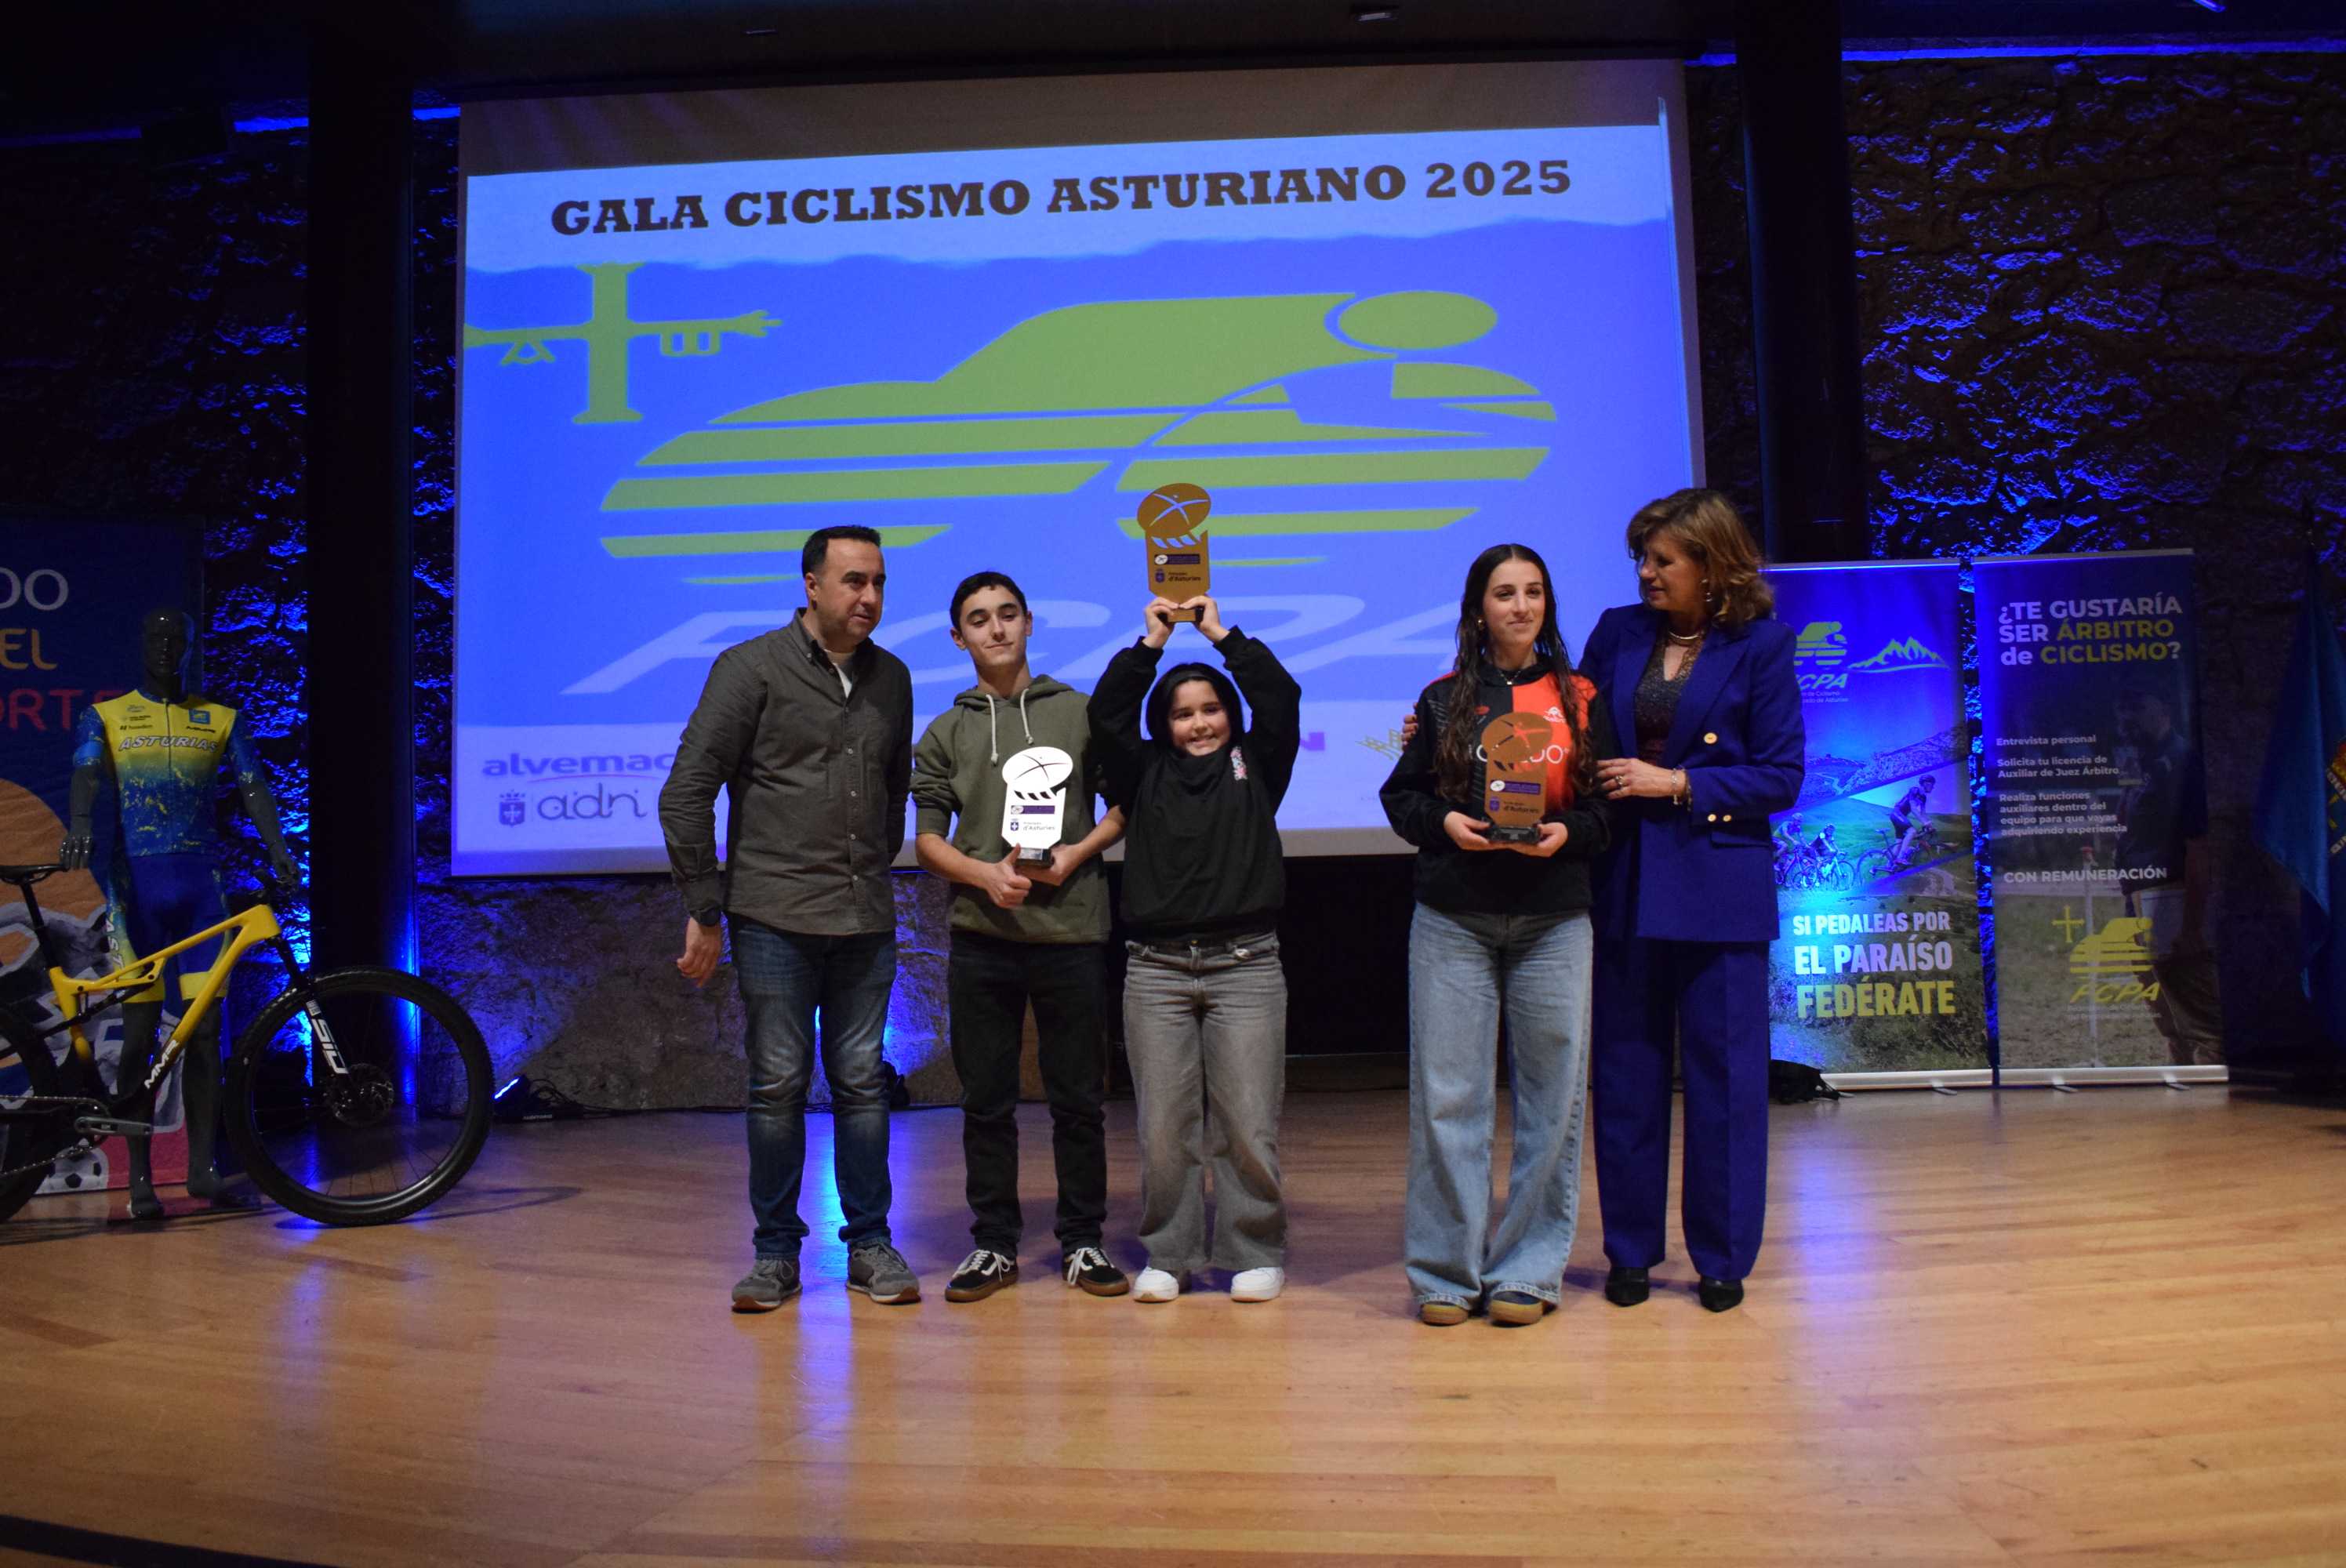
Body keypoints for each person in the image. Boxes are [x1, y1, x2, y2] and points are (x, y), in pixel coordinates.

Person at [658, 524, 921, 1312]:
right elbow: (686, 790)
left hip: (864, 916)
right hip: (772, 914)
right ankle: (774, 1253)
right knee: (776, 1085)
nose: (868, 597)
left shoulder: (894, 677)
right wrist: (705, 906)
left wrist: (871, 870)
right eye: (852, 581)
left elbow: (891, 790)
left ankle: (870, 1243)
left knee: (864, 1085)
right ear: (811, 585)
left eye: (877, 581)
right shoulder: (749, 669)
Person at [1379, 544, 1617, 1327]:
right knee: (1449, 1100)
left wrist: (1563, 834)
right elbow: (1403, 797)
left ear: (1547, 603)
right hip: (1453, 919)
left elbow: (1605, 814)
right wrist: (1446, 823)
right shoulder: (1445, 700)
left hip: (1554, 919)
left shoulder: (1582, 698)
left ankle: (1527, 1268)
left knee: (1553, 1101)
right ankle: (1445, 1273)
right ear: (1477, 607)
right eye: (1503, 593)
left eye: (1533, 592)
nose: (1519, 606)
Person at [1584, 488, 1803, 1314]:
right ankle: (1631, 1251)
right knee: (1627, 1075)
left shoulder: (1763, 646)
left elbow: (1782, 776)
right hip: (1628, 882)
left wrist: (1677, 781)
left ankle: (1720, 1256)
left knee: (1725, 1082)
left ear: (1710, 566)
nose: (1645, 572)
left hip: (1718, 887)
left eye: (1661, 559)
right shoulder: (1617, 631)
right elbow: (1562, 727)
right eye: (1641, 557)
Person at [911, 570, 1131, 1302]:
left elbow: (1123, 806)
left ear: (1030, 623)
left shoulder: (1079, 712)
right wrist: (982, 876)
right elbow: (927, 842)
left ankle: (1083, 1242)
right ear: (958, 637)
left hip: (1071, 933)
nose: (996, 629)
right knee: (986, 1103)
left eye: (1008, 615)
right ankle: (994, 1246)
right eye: (979, 619)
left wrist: (1074, 853)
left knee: (1077, 1101)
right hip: (984, 937)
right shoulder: (945, 731)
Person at [1090, 594, 1300, 1304]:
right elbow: (1106, 713)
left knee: (1246, 1124)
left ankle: (1252, 1250)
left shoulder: (1258, 763)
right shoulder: (1141, 771)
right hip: (1155, 972)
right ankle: (1170, 1254)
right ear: (1165, 723)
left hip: (1247, 967)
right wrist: (1151, 642)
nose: (1199, 723)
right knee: (1163, 1130)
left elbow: (1280, 696)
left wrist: (1219, 634)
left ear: (1229, 715)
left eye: (1210, 709)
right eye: (1183, 713)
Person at [60, 608, 300, 1220]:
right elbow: (86, 772)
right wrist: (81, 825)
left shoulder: (220, 718)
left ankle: (201, 1169)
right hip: (136, 891)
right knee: (139, 1035)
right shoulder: (107, 715)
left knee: (205, 1036)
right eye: (156, 637)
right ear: (142, 642)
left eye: (177, 640)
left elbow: (254, 787)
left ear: (191, 648)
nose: (166, 647)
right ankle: (140, 1177)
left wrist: (280, 851)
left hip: (200, 891)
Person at [2114, 686, 2222, 1065]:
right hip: (2140, 896)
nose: (2128, 718)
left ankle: (2214, 1109)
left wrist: (2191, 925)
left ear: (2165, 709)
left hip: (2172, 897)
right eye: (2123, 709)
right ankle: (2183, 1091)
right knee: (2164, 1010)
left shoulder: (2183, 762)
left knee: (2198, 1014)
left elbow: (2198, 846)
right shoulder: (2143, 762)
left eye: (2137, 706)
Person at [1887, 775, 1934, 867]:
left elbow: (1923, 813)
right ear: (1926, 784)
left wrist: (1930, 826)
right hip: (1897, 813)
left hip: (1900, 817)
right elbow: (1913, 809)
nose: (1933, 787)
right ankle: (1901, 858)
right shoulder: (1914, 790)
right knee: (1912, 831)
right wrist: (1924, 823)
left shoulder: (1923, 798)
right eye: (1932, 785)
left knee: (1899, 843)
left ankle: (1888, 866)